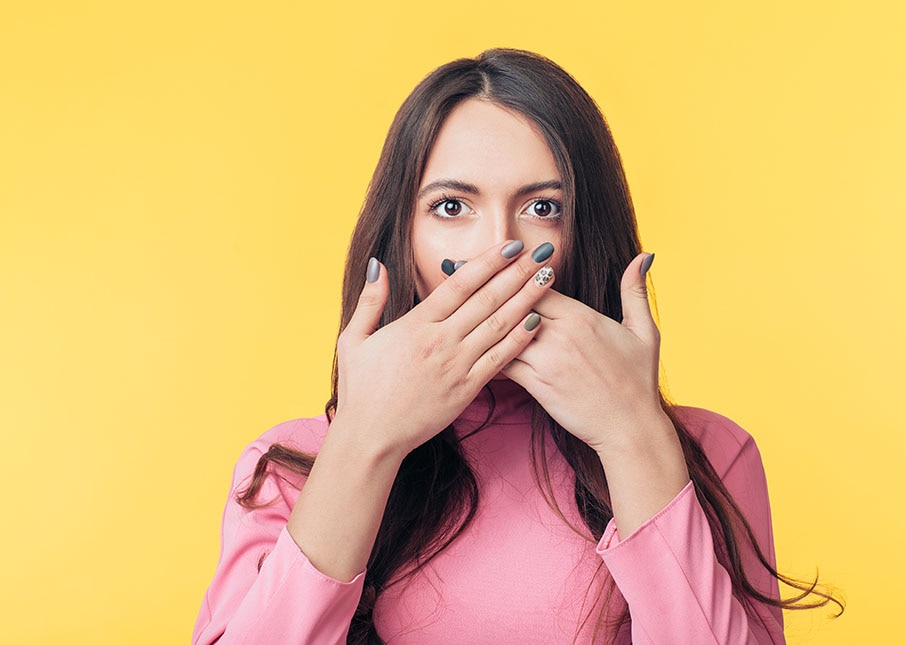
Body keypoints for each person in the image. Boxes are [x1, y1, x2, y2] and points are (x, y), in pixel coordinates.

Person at [193, 48, 840, 645]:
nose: (495, 250)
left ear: (586, 231)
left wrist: (634, 436)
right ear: (401, 236)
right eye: (452, 208)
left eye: (541, 209)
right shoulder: (289, 468)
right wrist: (364, 439)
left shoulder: (711, 454)